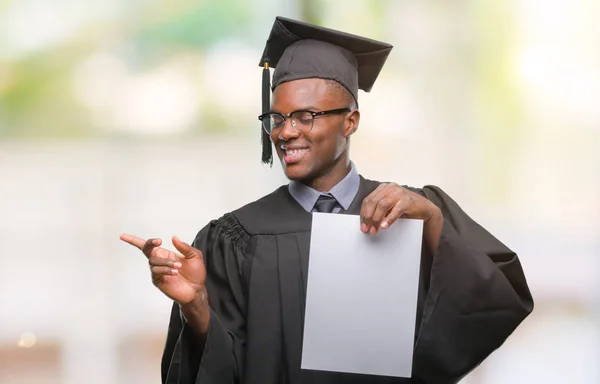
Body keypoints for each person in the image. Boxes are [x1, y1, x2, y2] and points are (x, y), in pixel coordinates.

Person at [120, 16, 533, 384]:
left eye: (306, 116)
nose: (285, 132)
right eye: (276, 118)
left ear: (350, 120)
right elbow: (219, 369)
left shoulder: (413, 213)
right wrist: (197, 306)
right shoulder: (232, 239)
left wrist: (433, 225)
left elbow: (494, 305)